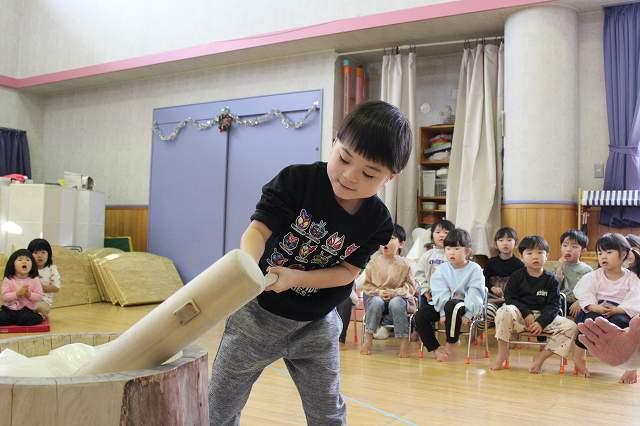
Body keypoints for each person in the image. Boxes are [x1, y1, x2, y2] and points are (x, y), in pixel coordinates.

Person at [208, 100, 412, 425]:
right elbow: (257, 231)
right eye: (343, 158)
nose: (349, 176)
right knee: (220, 403)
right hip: (257, 316)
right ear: (334, 142)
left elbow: (347, 273)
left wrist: (294, 278)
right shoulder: (296, 181)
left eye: (369, 173)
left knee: (327, 412)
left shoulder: (378, 222)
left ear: (391, 177)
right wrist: (247, 265)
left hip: (316, 324)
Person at [490, 236, 577, 373]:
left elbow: (554, 306)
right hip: (519, 317)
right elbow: (510, 298)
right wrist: (526, 313)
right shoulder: (517, 276)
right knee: (503, 311)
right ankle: (502, 353)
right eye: (529, 253)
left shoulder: (551, 280)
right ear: (522, 257)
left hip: (544, 319)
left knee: (571, 327)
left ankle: (540, 358)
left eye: (540, 253)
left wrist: (541, 322)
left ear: (547, 256)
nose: (535, 257)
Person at [572, 233, 640, 383]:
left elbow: (636, 298)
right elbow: (585, 293)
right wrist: (594, 307)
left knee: (626, 326)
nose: (603, 256)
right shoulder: (594, 276)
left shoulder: (631, 278)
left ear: (623, 254)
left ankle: (630, 367)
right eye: (600, 253)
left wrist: (618, 310)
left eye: (609, 252)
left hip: (621, 311)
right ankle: (579, 357)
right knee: (588, 322)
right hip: (597, 309)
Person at [414, 228, 485, 362]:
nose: (451, 252)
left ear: (467, 251)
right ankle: (435, 349)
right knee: (420, 316)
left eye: (457, 248)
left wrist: (469, 314)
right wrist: (442, 313)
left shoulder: (475, 269)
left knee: (453, 305)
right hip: (443, 306)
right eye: (448, 248)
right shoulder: (441, 269)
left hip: (464, 305)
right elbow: (439, 291)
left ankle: (451, 341)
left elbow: (475, 293)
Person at [360, 224, 415, 357]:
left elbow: (410, 287)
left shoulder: (405, 264)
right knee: (376, 302)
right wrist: (379, 292)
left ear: (401, 244)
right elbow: (366, 285)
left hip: (398, 298)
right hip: (377, 297)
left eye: (391, 238)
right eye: (383, 238)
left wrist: (395, 292)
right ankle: (368, 339)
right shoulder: (373, 262)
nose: (386, 242)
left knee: (396, 303)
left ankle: (404, 341)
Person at [483, 227, 524, 325]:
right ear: (496, 244)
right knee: (487, 312)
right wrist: (492, 287)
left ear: (516, 244)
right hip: (492, 299)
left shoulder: (519, 265)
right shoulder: (491, 263)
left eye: (509, 240)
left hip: (511, 301)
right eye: (501, 240)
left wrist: (509, 296)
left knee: (507, 313)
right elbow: (483, 280)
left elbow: (521, 286)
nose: (505, 243)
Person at [553, 230, 592, 319]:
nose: (568, 249)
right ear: (560, 248)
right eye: (565, 245)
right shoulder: (557, 267)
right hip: (561, 300)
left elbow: (590, 291)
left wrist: (580, 302)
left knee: (586, 311)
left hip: (576, 301)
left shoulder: (587, 270)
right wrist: (559, 269)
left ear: (583, 251)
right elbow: (554, 288)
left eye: (574, 246)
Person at [0, 249, 44, 326]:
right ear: (12, 264)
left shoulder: (34, 279)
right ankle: (13, 320)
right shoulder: (8, 279)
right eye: (20, 260)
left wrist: (29, 294)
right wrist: (17, 294)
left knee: (25, 319)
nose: (24, 262)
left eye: (28, 260)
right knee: (2, 318)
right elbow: (5, 297)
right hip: (9, 309)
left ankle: (40, 316)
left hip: (26, 310)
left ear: (32, 264)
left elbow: (39, 296)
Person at [27, 238, 61, 316]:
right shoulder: (27, 268)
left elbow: (56, 288)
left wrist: (38, 286)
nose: (40, 255)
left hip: (43, 301)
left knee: (41, 308)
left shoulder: (52, 269)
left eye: (43, 252)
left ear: (48, 254)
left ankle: (33, 314)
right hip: (27, 299)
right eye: (35, 253)